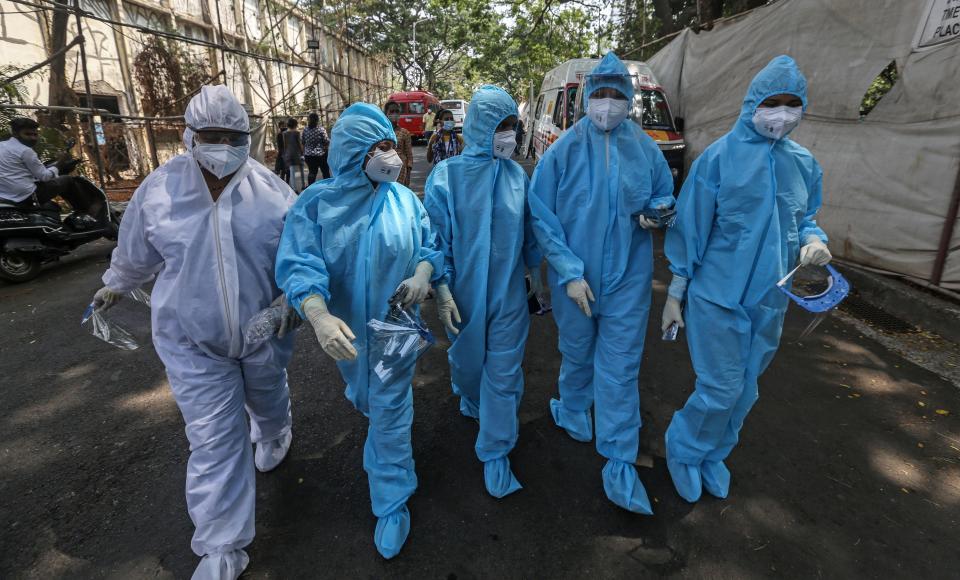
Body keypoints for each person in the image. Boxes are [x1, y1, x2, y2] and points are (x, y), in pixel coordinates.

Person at [89, 85, 299, 580]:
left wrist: (290, 302)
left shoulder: (274, 194)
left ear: (250, 136)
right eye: (212, 135)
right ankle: (222, 545)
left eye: (234, 136)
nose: (223, 146)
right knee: (212, 439)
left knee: (267, 396)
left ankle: (274, 429)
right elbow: (135, 251)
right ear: (190, 136)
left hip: (262, 332)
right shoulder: (159, 191)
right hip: (191, 342)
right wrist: (115, 286)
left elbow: (300, 260)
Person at [660, 55, 832, 503]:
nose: (781, 113)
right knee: (719, 388)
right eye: (771, 102)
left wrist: (814, 240)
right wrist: (676, 292)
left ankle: (715, 453)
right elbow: (690, 229)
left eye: (791, 103)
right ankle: (684, 450)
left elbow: (805, 217)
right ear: (752, 102)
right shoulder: (718, 159)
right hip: (717, 297)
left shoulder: (804, 164)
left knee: (746, 391)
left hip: (770, 299)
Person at [275, 103, 443, 559]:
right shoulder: (317, 203)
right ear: (354, 152)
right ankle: (373, 418)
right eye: (380, 146)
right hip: (347, 332)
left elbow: (429, 244)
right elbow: (298, 262)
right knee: (365, 396)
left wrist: (425, 275)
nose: (392, 155)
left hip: (397, 328)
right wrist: (318, 313)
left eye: (392, 144)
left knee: (391, 409)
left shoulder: (405, 200)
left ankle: (391, 499)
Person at [528, 52, 675, 514]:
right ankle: (573, 407)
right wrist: (568, 272)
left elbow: (662, 193)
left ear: (628, 99)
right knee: (576, 350)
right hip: (577, 277)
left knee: (620, 366)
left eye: (616, 95)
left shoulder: (645, 148)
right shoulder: (563, 150)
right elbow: (542, 215)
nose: (607, 104)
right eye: (600, 95)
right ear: (586, 98)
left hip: (629, 278)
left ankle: (618, 456)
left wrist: (660, 212)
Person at [423, 85, 544, 498]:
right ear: (480, 126)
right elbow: (435, 240)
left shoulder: (517, 178)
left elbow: (530, 234)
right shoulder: (447, 176)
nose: (508, 134)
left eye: (513, 126)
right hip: (463, 294)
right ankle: (470, 395)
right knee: (469, 365)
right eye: (501, 126)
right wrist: (441, 287)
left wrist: (535, 278)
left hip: (509, 295)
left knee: (504, 372)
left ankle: (495, 449)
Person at [0, 117, 110, 227]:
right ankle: (88, 212)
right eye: (28, 134)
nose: (33, 138)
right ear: (15, 134)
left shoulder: (2, 146)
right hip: (27, 196)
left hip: (7, 195)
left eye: (35, 134)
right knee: (67, 180)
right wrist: (60, 162)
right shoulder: (25, 151)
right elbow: (45, 177)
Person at [384, 102, 414, 187]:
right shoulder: (382, 132)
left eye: (397, 111)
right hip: (384, 170)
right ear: (386, 113)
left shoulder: (405, 132)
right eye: (392, 111)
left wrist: (408, 176)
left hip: (401, 172)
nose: (394, 114)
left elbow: (409, 156)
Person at [302, 112, 331, 183]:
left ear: (309, 120)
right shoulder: (321, 129)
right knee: (325, 172)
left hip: (309, 155)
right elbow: (326, 141)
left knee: (312, 172)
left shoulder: (305, 130)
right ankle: (327, 187)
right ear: (317, 120)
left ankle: (311, 188)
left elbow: (303, 142)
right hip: (321, 155)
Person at [283, 117, 305, 192]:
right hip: (297, 153)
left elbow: (285, 145)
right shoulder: (297, 133)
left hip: (289, 153)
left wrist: (285, 154)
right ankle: (303, 185)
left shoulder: (285, 133)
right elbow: (299, 144)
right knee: (301, 169)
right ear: (295, 124)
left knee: (292, 171)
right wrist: (302, 152)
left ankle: (294, 188)